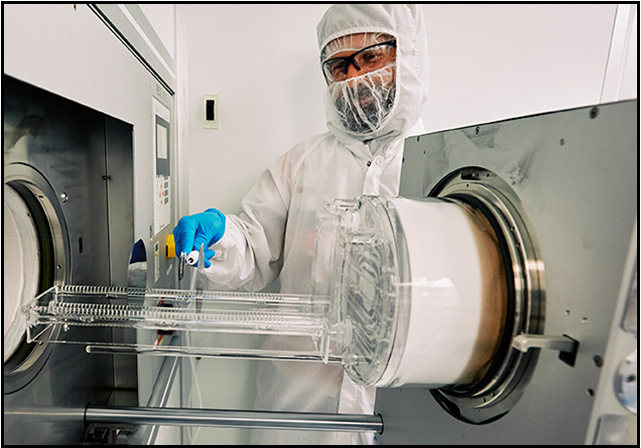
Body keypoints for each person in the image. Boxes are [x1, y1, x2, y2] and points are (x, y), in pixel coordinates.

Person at [173, 4, 429, 444]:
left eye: (371, 58)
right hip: (294, 414)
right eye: (339, 65)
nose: (354, 78)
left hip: (401, 412)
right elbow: (253, 251)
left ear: (407, 56)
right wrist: (222, 235)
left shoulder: (447, 165)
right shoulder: (302, 164)